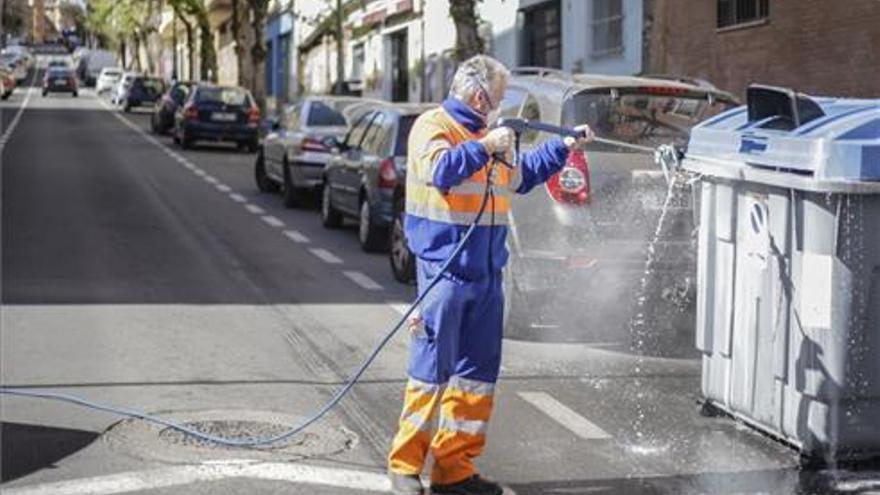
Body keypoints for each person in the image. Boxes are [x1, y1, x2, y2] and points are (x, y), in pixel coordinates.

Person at [387, 55, 593, 495]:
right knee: (430, 375)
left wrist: (564, 148)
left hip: (486, 277)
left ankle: (453, 471)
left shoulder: (492, 137)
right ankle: (404, 467)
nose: (502, 105)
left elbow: (521, 178)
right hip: (444, 276)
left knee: (476, 378)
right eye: (499, 98)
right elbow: (440, 170)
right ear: (481, 96)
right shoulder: (433, 126)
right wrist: (484, 146)